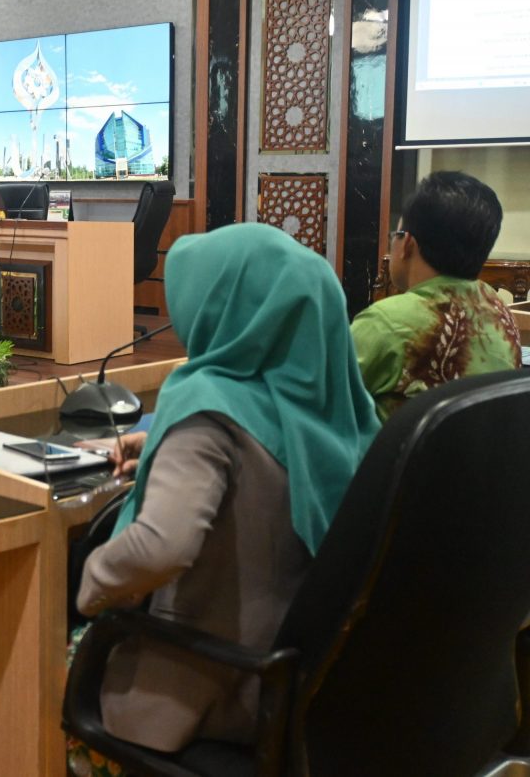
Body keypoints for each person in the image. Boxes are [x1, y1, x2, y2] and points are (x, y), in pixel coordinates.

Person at [71, 224, 379, 771]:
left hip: (207, 693)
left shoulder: (207, 404)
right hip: (314, 688)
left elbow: (158, 549)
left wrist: (88, 587)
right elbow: (270, 468)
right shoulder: (336, 409)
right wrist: (169, 446)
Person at [351, 171, 521, 422]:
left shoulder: (387, 322)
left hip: (396, 461)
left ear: (407, 244)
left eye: (394, 236)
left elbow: (320, 404)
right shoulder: (499, 313)